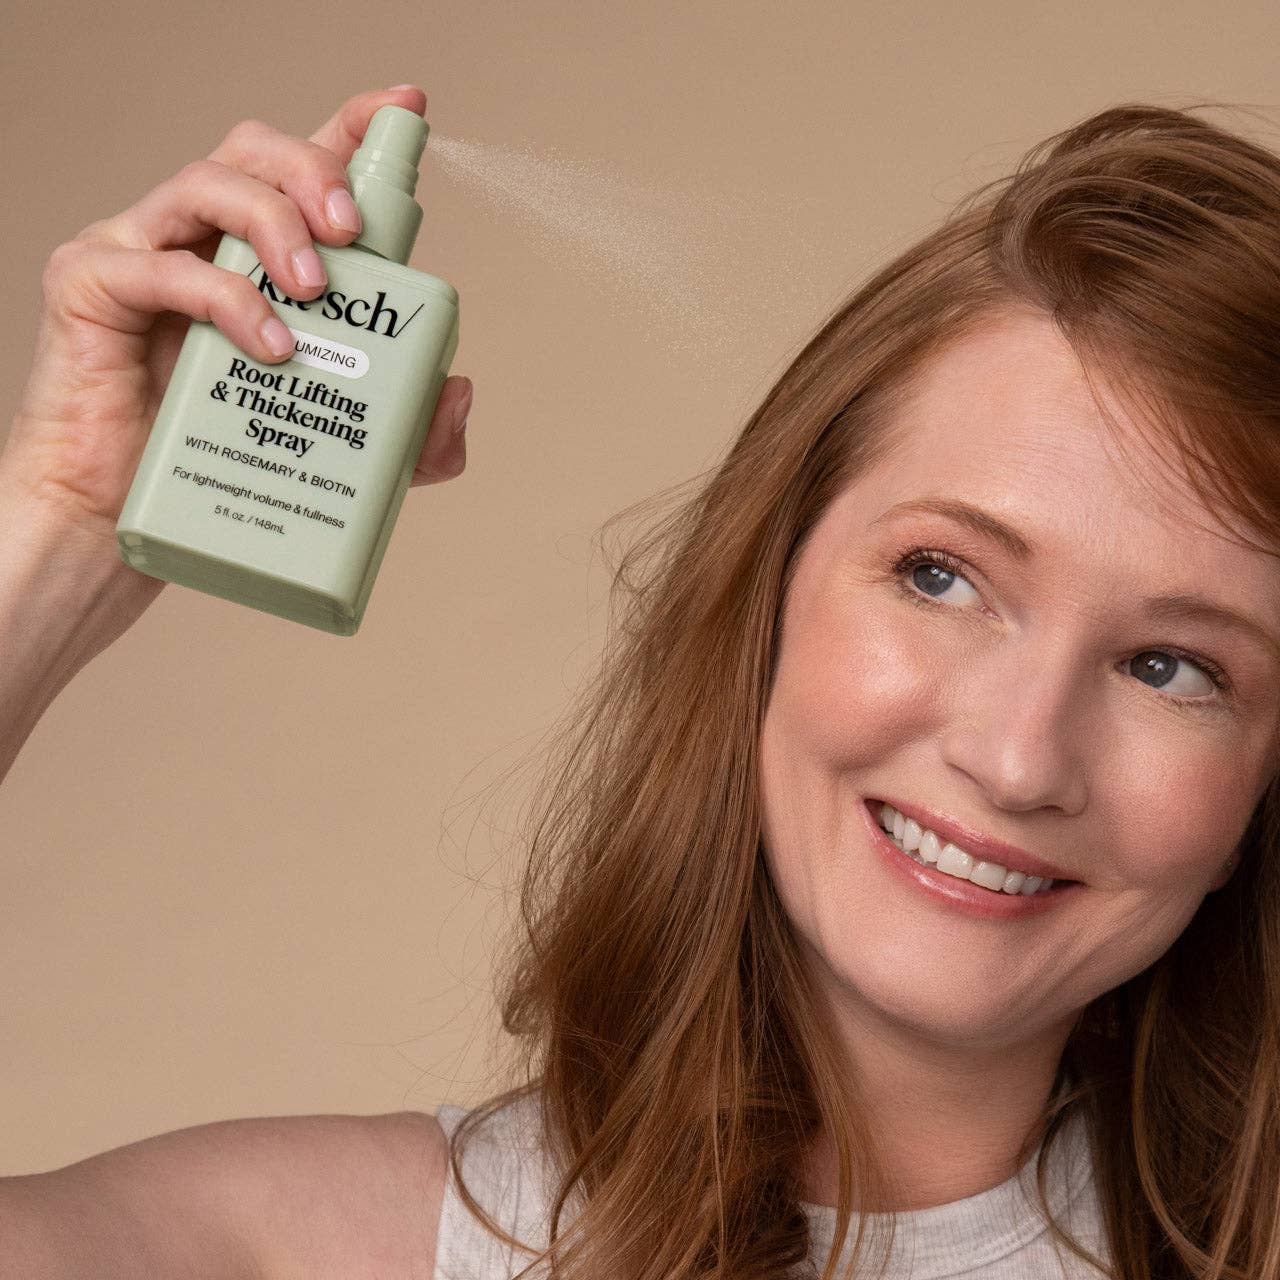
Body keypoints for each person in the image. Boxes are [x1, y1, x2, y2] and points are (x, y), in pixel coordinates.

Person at [2, 86, 1278, 1280]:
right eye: (941, 576)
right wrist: (55, 530)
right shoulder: (351, 1244)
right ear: (766, 594)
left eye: (1171, 667)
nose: (1015, 757)